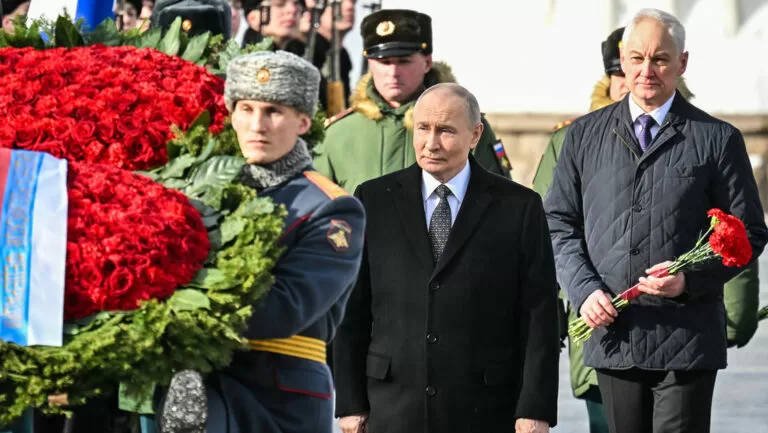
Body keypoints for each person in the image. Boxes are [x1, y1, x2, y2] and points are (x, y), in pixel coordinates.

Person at [544, 8, 768, 433]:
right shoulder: (583, 136)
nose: (647, 70)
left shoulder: (717, 139)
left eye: (661, 59)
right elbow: (558, 222)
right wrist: (584, 289)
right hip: (614, 334)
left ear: (682, 63)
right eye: (637, 58)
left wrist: (689, 280)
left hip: (686, 340)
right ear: (623, 61)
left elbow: (749, 233)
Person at [157, 50, 365, 433]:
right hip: (188, 389)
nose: (257, 125)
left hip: (277, 402)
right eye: (246, 109)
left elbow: (285, 308)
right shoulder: (195, 190)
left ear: (303, 121)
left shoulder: (331, 208)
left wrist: (168, 301)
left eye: (273, 111)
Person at [333, 83, 560, 433]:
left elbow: (539, 314)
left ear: (475, 134)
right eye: (423, 128)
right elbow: (352, 308)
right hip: (391, 406)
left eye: (446, 130)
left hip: (485, 408)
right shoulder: (374, 199)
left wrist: (535, 409)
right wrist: (349, 402)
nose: (431, 143)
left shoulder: (517, 207)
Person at [313, 9, 512, 195]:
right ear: (370, 64)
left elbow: (499, 198)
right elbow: (317, 210)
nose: (393, 73)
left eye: (404, 61)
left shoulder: (465, 124)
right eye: (384, 63)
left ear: (426, 62)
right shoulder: (338, 134)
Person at [299, 0, 354, 110]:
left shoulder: (342, 56)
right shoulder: (308, 52)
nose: (350, 6)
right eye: (339, 2)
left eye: (353, 2)